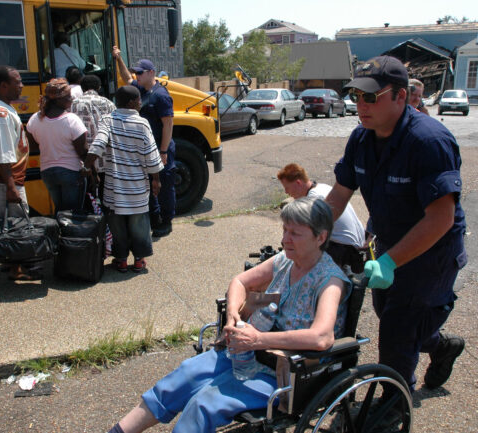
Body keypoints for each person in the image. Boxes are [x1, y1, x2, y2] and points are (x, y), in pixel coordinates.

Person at [107, 197, 350, 433]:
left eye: (295, 234)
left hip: (289, 372)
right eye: (285, 230)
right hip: (249, 352)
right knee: (183, 377)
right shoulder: (285, 261)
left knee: (204, 404)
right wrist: (234, 315)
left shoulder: (329, 280)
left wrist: (258, 340)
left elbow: (322, 338)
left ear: (321, 237)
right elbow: (240, 282)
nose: (285, 239)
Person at [325, 55, 466, 393]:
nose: (361, 104)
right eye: (356, 96)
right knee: (391, 313)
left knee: (396, 332)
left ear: (401, 96)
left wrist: (388, 262)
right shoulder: (361, 138)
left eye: (370, 96)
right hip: (389, 243)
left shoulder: (429, 141)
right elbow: (339, 195)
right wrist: (307, 233)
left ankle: (390, 410)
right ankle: (443, 346)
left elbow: (441, 218)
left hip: (432, 252)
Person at [84, 86, 164, 273]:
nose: (140, 103)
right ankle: (138, 260)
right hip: (137, 187)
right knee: (139, 225)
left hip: (114, 186)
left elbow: (98, 144)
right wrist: (156, 179)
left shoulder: (107, 120)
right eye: (138, 100)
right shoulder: (142, 123)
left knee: (117, 225)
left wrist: (87, 166)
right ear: (130, 103)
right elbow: (151, 155)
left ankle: (120, 260)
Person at [0, 65, 35, 281]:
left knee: (5, 221)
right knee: (15, 222)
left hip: (2, 178)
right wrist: (11, 186)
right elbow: (2, 155)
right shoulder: (0, 114)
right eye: (17, 82)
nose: (21, 85)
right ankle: (16, 268)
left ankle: (10, 260)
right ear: (4, 86)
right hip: (3, 179)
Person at [112, 46, 175, 238]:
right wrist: (118, 58)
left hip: (160, 149)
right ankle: (155, 218)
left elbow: (168, 125)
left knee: (164, 185)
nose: (136, 75)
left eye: (139, 72)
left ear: (151, 73)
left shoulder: (161, 95)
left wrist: (163, 151)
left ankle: (166, 220)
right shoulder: (141, 89)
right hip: (147, 149)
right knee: (150, 184)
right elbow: (125, 78)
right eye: (136, 72)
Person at [277, 163, 366, 273]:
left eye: (287, 187)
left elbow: (304, 230)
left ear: (298, 183)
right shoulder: (322, 187)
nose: (286, 192)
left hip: (345, 249)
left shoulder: (313, 199)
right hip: (358, 243)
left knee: (301, 243)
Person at [26, 78, 88, 214]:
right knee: (72, 214)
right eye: (68, 97)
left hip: (47, 172)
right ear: (59, 100)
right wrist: (92, 172)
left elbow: (32, 146)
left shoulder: (35, 119)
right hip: (70, 172)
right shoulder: (71, 120)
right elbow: (82, 151)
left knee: (60, 211)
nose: (71, 99)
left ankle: (60, 233)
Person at [71, 74, 116, 198]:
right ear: (99, 87)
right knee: (105, 197)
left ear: (82, 88)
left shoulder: (73, 104)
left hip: (82, 162)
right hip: (105, 160)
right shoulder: (109, 103)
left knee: (87, 199)